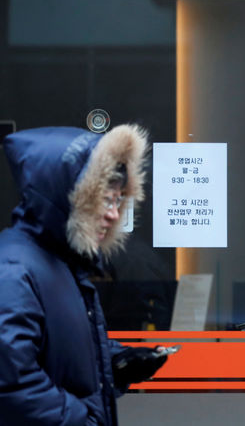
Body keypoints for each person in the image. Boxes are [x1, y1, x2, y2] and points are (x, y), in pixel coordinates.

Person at [0, 125, 168, 426]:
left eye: (118, 200)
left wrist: (117, 362)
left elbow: (58, 355)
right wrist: (85, 420)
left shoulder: (63, 263)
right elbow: (11, 384)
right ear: (64, 197)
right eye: (104, 199)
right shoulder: (13, 270)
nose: (114, 214)